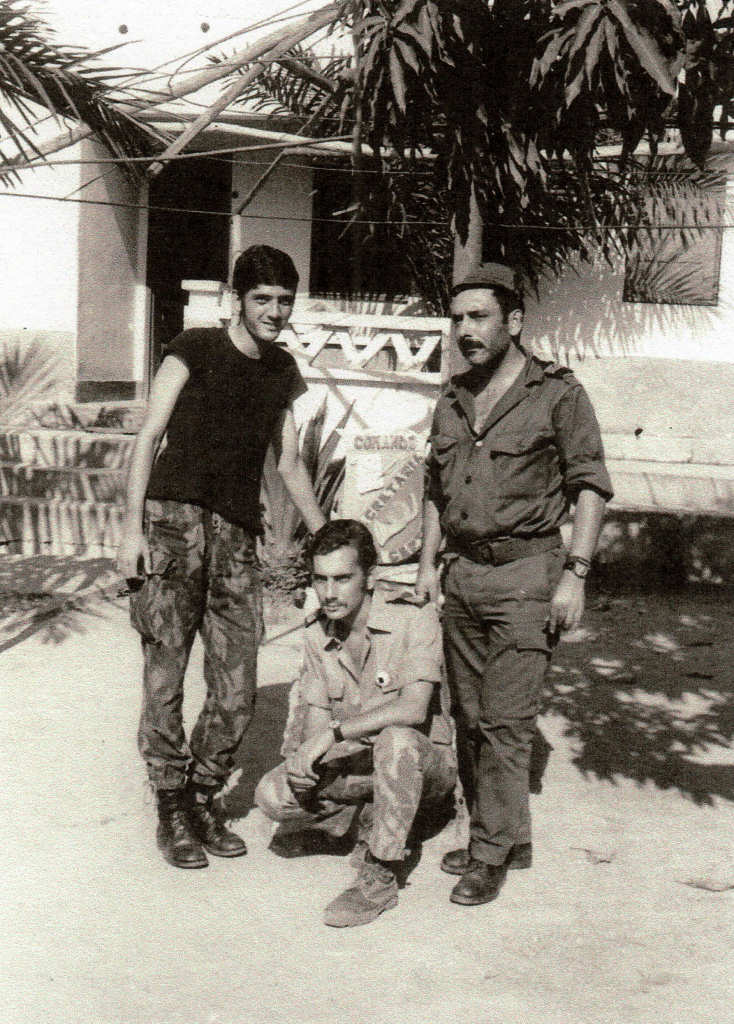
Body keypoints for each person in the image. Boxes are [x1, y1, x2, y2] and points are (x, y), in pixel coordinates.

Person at [117, 245, 326, 869]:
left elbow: (289, 464)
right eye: (262, 299)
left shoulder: (282, 370)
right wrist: (129, 532)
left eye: (285, 300)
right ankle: (170, 803)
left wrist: (328, 536)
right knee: (166, 673)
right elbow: (149, 436)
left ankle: (204, 794)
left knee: (238, 682)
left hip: (236, 537)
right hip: (172, 526)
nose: (275, 311)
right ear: (237, 299)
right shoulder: (194, 348)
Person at [415, 262, 613, 906]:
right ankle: (507, 837)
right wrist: (426, 565)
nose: (465, 331)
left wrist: (575, 575)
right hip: (464, 573)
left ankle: (489, 852)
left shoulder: (558, 394)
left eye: (479, 317)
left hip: (528, 575)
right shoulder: (453, 397)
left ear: (515, 322)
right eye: (457, 319)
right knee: (469, 717)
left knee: (505, 721)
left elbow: (590, 487)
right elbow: (435, 488)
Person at [255, 519, 457, 927]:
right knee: (273, 794)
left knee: (396, 741)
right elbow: (316, 724)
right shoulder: (318, 633)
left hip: (421, 766)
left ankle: (380, 874)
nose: (329, 593)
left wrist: (333, 735)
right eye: (320, 579)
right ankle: (364, 820)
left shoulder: (413, 617)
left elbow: (414, 709)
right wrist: (306, 761)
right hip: (361, 763)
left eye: (343, 578)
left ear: (370, 577)